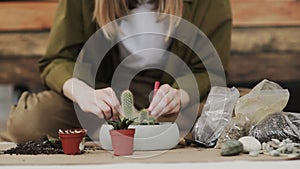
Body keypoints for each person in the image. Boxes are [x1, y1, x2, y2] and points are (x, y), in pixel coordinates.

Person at [2, 0, 232, 143]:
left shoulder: (210, 3)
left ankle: (122, 135)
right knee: (30, 122)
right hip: (104, 99)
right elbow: (58, 59)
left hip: (170, 102)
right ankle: (157, 135)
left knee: (241, 113)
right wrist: (84, 94)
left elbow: (211, 71)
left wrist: (180, 95)